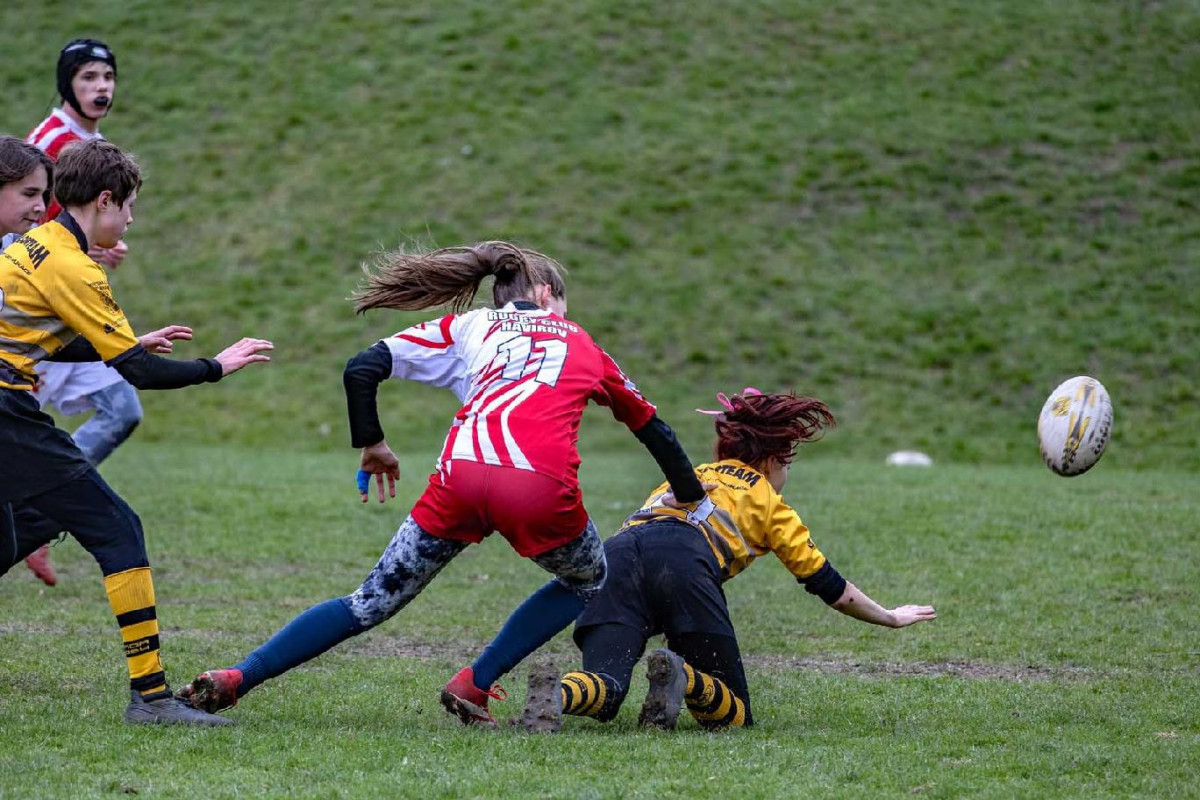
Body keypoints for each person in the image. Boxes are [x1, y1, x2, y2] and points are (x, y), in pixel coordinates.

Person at [178, 241, 706, 721]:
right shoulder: (582, 342)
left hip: (459, 478)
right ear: (547, 293)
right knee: (588, 580)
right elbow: (652, 428)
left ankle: (237, 677)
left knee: (369, 601)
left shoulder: (469, 326)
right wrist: (690, 497)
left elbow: (361, 367)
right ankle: (474, 683)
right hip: (537, 488)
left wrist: (374, 443)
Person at [0, 138, 274, 725]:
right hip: (5, 412)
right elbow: (141, 374)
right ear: (104, 200)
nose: (131, 220)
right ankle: (150, 699)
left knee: (20, 531)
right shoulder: (77, 265)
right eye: (128, 207)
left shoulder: (37, 244)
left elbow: (40, 325)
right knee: (118, 528)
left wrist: (119, 344)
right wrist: (216, 367)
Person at [481, 388, 937, 733]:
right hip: (683, 563)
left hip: (615, 556)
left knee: (605, 687)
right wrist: (890, 618)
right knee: (733, 714)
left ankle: (555, 693)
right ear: (776, 458)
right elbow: (829, 586)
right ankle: (684, 677)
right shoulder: (767, 500)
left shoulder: (691, 476)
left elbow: (648, 532)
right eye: (788, 465)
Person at [23, 39, 136, 586]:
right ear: (67, 82)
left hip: (64, 311)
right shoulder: (51, 143)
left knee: (121, 408)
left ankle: (37, 520)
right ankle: (35, 517)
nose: (102, 87)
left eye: (108, 76)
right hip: (32, 311)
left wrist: (97, 246)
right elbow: (26, 225)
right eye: (89, 76)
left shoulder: (88, 141)